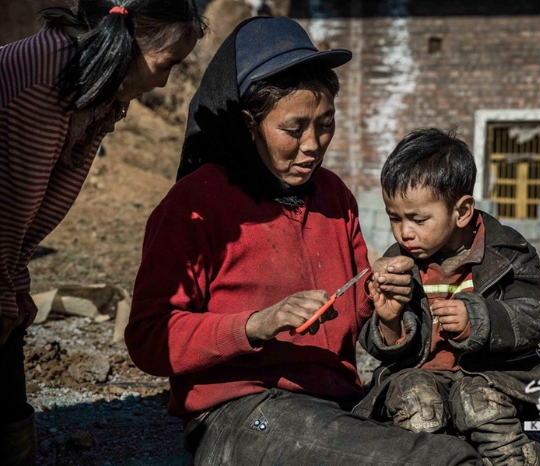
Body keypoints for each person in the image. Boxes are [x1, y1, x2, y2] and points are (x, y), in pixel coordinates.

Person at [125, 16, 486, 465]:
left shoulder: (333, 196)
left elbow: (361, 322)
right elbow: (147, 339)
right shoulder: (196, 205)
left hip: (333, 409)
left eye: (325, 125)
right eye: (294, 129)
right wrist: (256, 324)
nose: (314, 145)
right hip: (241, 415)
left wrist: (387, 310)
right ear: (249, 123)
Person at [0, 1, 205, 464]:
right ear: (128, 39)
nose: (163, 83)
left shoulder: (94, 89)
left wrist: (13, 279)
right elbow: (9, 207)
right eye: (166, 64)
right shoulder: (45, 81)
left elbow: (32, 210)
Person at [353, 128, 540, 466]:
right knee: (417, 402)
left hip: (493, 375)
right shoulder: (399, 264)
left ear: (461, 211)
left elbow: (536, 313)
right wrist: (388, 319)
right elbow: (378, 343)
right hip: (423, 373)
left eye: (418, 219)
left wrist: (478, 319)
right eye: (395, 218)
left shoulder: (506, 252)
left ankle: (515, 457)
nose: (405, 231)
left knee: (479, 402)